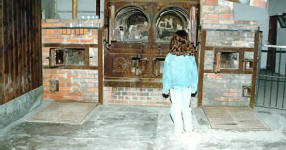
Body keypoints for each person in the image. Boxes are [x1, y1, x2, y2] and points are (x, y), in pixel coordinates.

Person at [162, 30, 198, 135]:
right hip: (187, 87)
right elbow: (194, 74)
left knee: (175, 109)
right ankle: (189, 128)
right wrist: (194, 87)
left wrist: (165, 88)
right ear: (187, 41)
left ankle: (179, 129)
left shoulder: (170, 57)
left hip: (174, 88)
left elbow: (167, 75)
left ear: (174, 41)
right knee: (186, 108)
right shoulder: (190, 56)